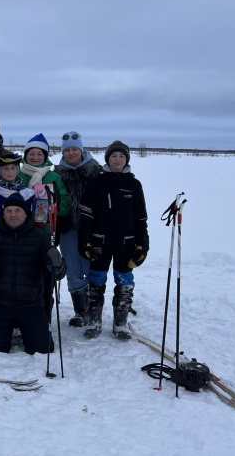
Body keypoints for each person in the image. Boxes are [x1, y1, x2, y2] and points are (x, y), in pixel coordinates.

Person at [0, 194, 66, 354]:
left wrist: (57, 264)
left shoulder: (41, 237)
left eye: (17, 210)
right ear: (3, 214)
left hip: (31, 305)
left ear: (26, 213)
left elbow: (58, 275)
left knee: (42, 350)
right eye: (8, 211)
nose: (13, 214)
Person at [78, 140, 149, 340]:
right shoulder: (96, 182)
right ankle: (94, 321)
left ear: (127, 159)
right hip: (99, 242)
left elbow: (141, 219)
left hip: (126, 243)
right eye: (114, 156)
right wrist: (85, 242)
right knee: (96, 282)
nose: (117, 160)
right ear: (107, 159)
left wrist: (143, 246)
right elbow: (86, 216)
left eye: (122, 156)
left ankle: (120, 323)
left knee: (125, 282)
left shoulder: (134, 185)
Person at [53, 131, 103, 328]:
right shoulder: (57, 174)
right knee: (73, 270)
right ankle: (80, 312)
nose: (71, 153)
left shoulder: (96, 171)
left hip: (92, 229)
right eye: (67, 150)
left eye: (75, 149)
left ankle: (93, 309)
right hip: (68, 229)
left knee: (91, 268)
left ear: (82, 150)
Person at [17, 133, 70, 238]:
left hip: (46, 231)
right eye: (31, 154)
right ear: (26, 155)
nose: (35, 157)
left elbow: (66, 203)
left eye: (39, 154)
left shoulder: (54, 177)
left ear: (45, 156)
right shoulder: (17, 175)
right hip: (18, 229)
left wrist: (55, 208)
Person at [0, 152, 36, 236]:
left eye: (13, 168)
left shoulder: (29, 194)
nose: (10, 172)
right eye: (6, 168)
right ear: (0, 171)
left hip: (23, 237)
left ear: (17, 170)